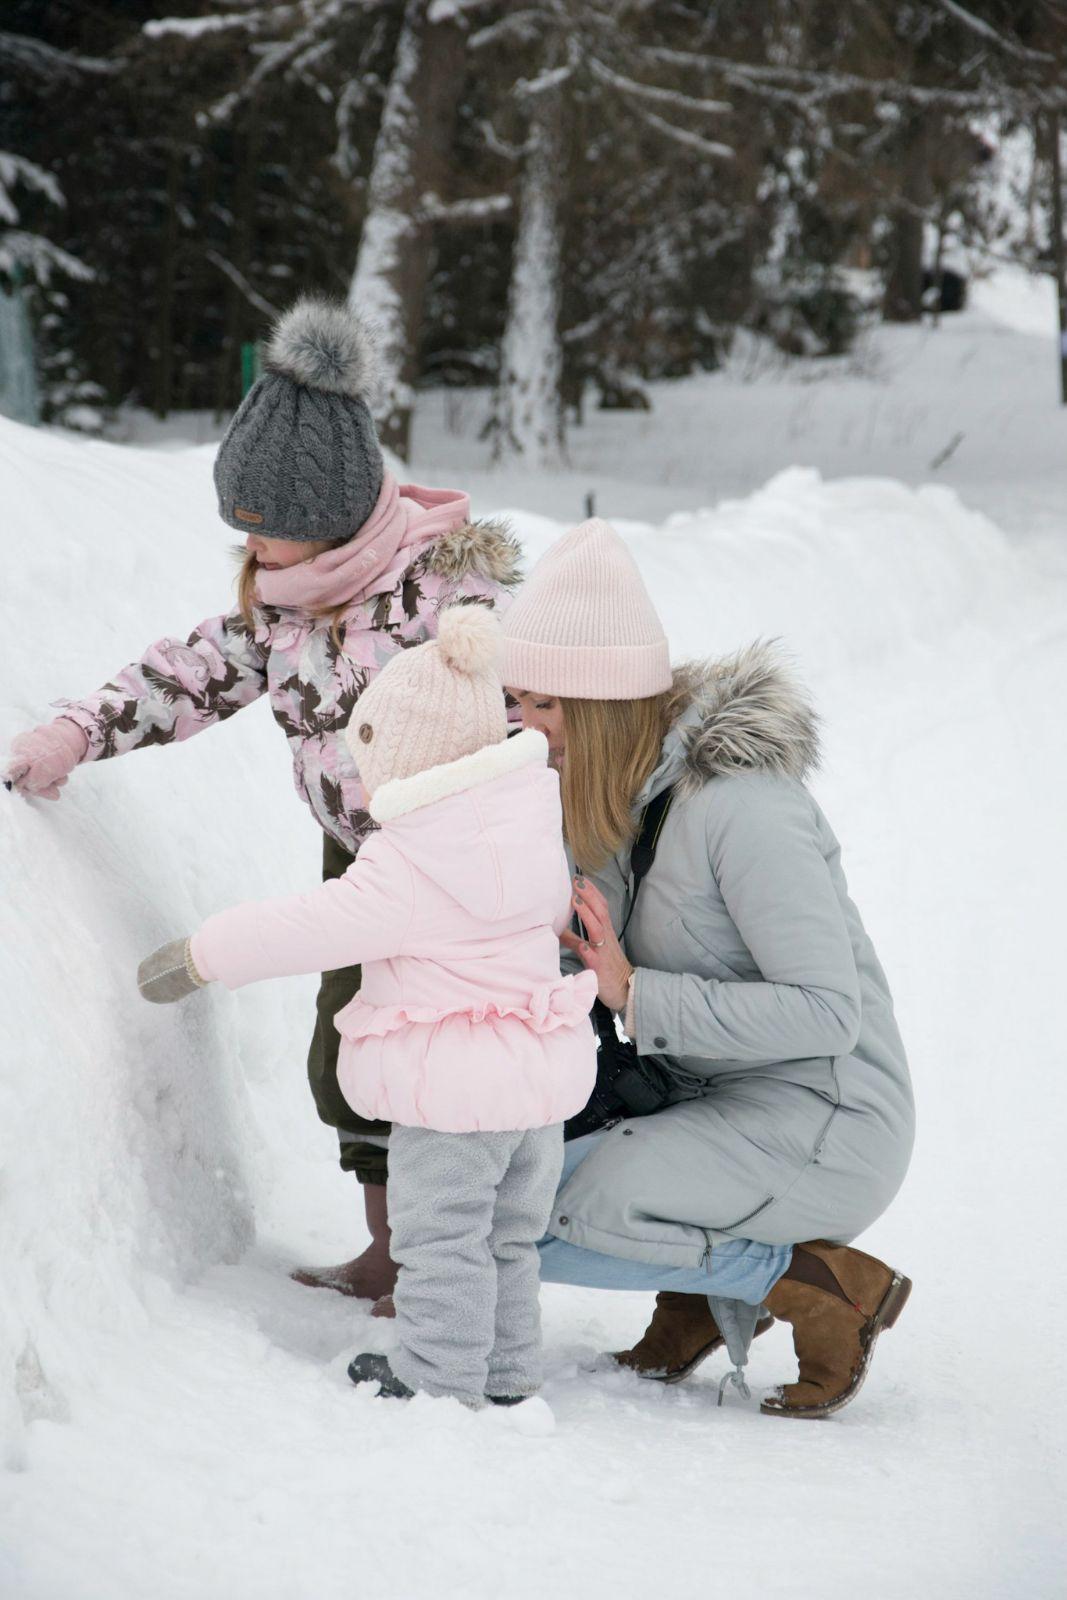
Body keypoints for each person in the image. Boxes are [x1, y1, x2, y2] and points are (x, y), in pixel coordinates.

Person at [3, 296, 520, 1304]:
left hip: (466, 866)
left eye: (269, 535)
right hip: (360, 860)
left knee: (455, 1063)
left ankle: (457, 1261)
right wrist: (78, 731)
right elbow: (188, 674)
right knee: (349, 1053)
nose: (253, 555)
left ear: (332, 521)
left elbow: (540, 709)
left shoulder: (445, 597)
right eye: (242, 534)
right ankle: (389, 1247)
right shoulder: (281, 606)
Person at [498, 517, 916, 1418]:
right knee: (492, 1177)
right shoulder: (605, 796)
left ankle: (805, 1282)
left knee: (522, 1216)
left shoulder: (743, 807)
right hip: (700, 1095)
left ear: (607, 706)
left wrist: (633, 992)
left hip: (823, 1116)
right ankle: (694, 1287)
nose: (524, 725)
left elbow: (825, 1012)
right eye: (514, 700)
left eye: (546, 704)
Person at [137, 607, 597, 1408]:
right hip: (536, 1087)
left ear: (406, 755)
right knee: (506, 1238)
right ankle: (506, 1371)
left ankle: (438, 1375)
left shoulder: (412, 860)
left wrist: (201, 954)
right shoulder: (530, 824)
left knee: (441, 1237)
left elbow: (308, 926)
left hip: (454, 1095)